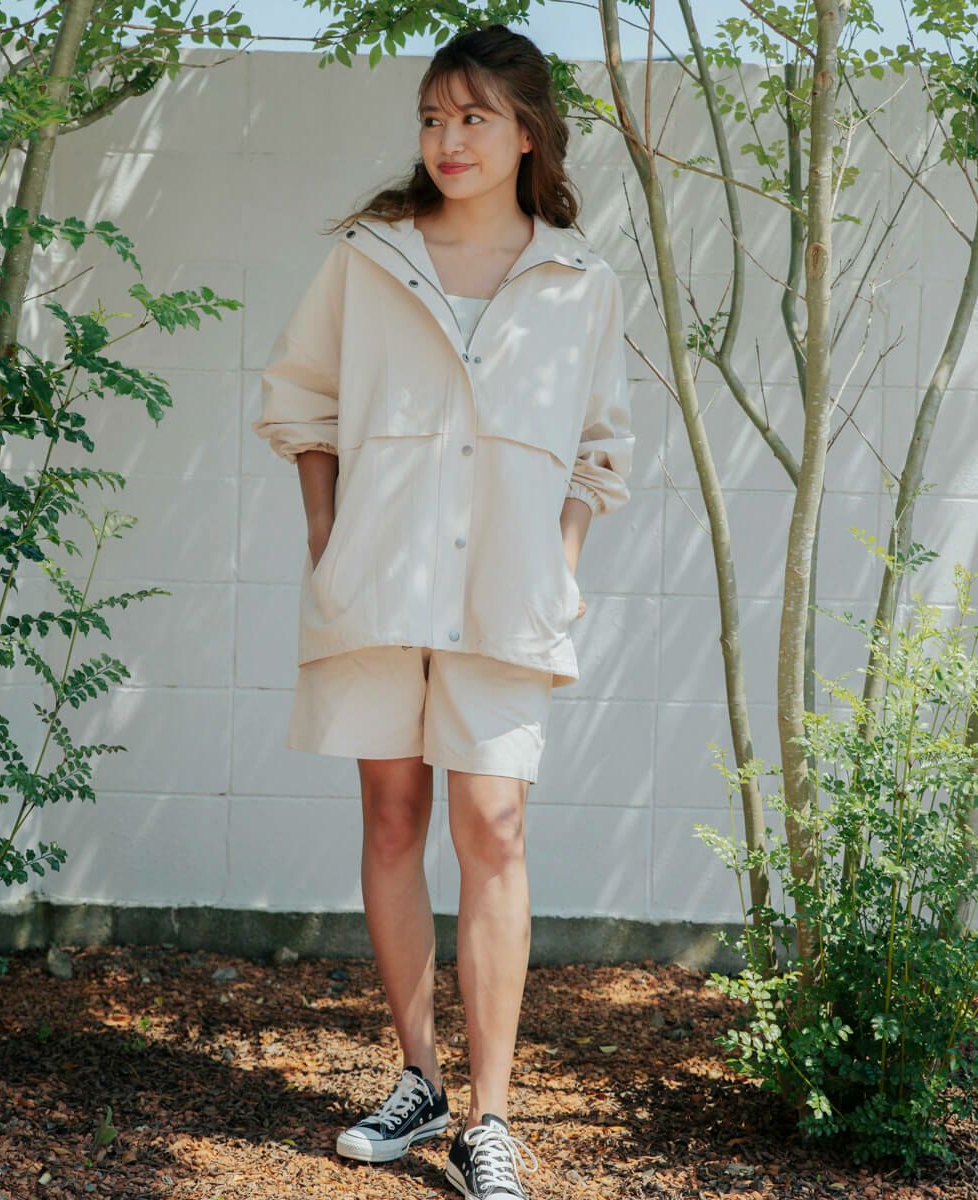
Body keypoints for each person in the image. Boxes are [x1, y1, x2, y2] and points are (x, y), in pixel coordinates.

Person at [251, 23, 635, 1200]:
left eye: (473, 117)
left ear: (527, 135)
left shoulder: (577, 280)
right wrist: (326, 536)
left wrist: (562, 563)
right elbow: (301, 403)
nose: (447, 139)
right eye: (432, 116)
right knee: (390, 817)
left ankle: (489, 1119)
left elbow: (600, 447)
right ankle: (417, 1078)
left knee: (495, 830)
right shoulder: (369, 257)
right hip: (378, 583)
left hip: (509, 593)